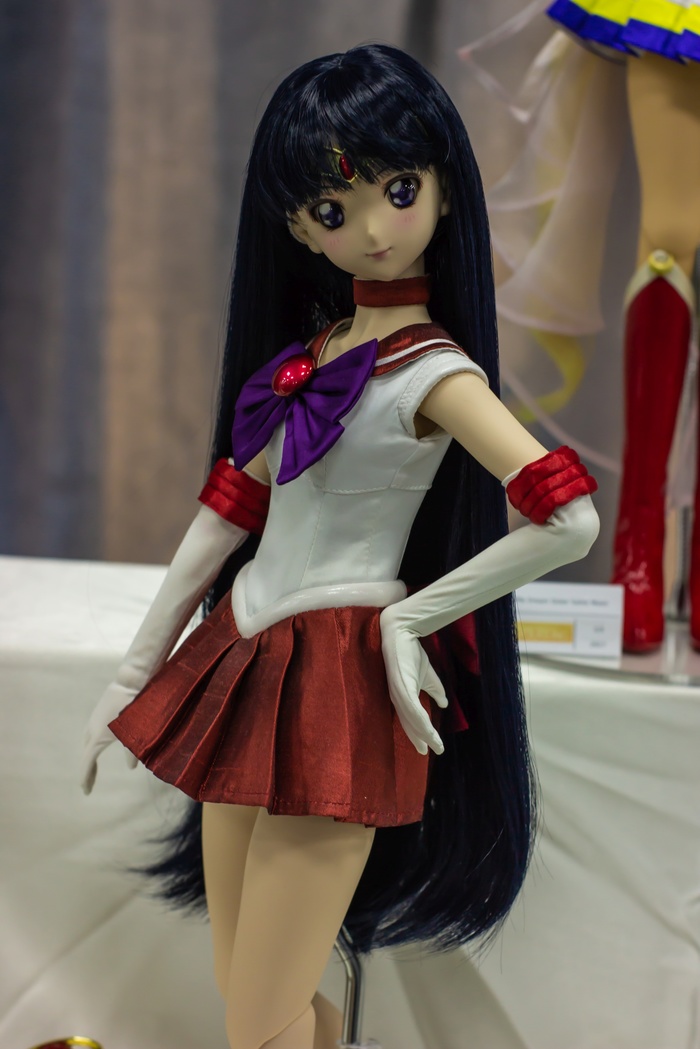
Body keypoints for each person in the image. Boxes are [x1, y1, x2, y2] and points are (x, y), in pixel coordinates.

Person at [81, 45, 599, 1049]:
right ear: (294, 225)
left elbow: (567, 518)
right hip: (247, 654)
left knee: (258, 1014)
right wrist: (132, 673)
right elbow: (225, 515)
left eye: (397, 192)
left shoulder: (436, 374)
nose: (369, 231)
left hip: (338, 678)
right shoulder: (309, 358)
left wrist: (412, 616)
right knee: (249, 994)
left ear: (443, 188)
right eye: (332, 208)